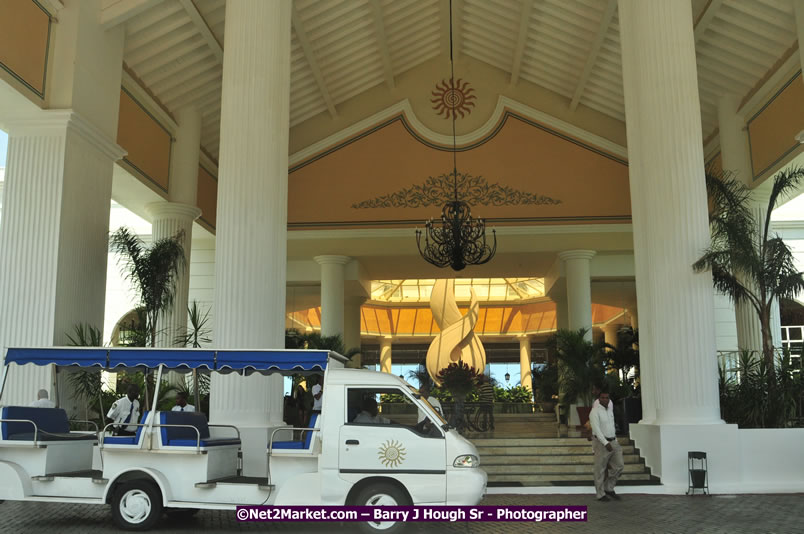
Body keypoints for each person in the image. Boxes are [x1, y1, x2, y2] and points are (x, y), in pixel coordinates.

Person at [589, 387, 624, 502]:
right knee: (600, 469)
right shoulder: (594, 411)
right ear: (599, 399)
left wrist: (615, 441)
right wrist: (605, 443)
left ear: (609, 399)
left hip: (613, 441)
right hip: (601, 443)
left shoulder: (609, 409)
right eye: (602, 398)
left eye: (607, 398)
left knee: (619, 466)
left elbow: (611, 427)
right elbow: (596, 430)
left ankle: (608, 488)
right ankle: (600, 494)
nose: (605, 399)